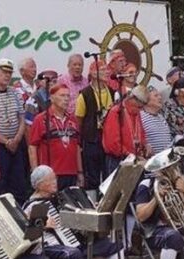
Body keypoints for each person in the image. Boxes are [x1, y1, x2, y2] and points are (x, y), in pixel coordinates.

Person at [25, 166, 125, 259]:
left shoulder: (60, 198)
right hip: (48, 245)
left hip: (75, 243)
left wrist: (91, 209)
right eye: (51, 180)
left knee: (115, 246)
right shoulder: (33, 205)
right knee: (74, 255)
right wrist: (43, 225)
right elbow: (30, 235)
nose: (55, 182)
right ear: (40, 185)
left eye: (55, 178)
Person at [28, 83, 83, 190]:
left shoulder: (73, 120)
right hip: (50, 174)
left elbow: (77, 147)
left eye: (68, 96)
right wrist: (36, 173)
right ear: (52, 98)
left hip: (71, 172)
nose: (66, 99)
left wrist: (80, 172)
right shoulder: (41, 119)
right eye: (62, 96)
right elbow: (32, 147)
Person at [0, 58, 29, 204]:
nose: (7, 76)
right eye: (3, 72)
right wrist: (5, 141)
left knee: (19, 182)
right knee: (1, 183)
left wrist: (17, 138)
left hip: (16, 144)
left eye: (9, 73)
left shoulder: (15, 92)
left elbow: (22, 117)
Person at [75, 59, 114, 195]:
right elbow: (79, 120)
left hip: (108, 140)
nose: (106, 72)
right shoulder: (85, 94)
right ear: (93, 72)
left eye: (107, 69)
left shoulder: (112, 91)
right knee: (92, 176)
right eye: (102, 69)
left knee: (109, 175)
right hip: (91, 140)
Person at [102, 85, 151, 175]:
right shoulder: (116, 112)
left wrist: (145, 145)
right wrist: (129, 154)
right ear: (131, 98)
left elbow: (141, 133)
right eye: (138, 106)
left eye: (141, 107)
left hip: (134, 158)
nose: (140, 109)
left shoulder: (136, 113)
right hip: (118, 160)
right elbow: (113, 144)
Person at [140, 86, 172, 156]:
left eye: (160, 95)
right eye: (156, 96)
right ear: (146, 100)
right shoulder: (140, 117)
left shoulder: (161, 117)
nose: (160, 98)